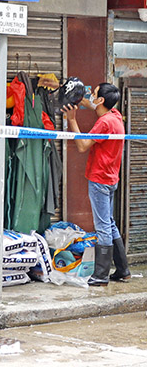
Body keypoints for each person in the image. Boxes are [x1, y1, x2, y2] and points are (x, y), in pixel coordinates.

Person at [63, 82, 130, 286]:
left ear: (101, 100)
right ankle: (123, 270)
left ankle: (101, 275)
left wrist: (71, 120)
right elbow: (94, 105)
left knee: (102, 227)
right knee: (109, 223)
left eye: (93, 93)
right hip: (111, 178)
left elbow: (83, 146)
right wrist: (79, 99)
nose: (90, 95)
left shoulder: (104, 123)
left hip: (99, 180)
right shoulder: (115, 115)